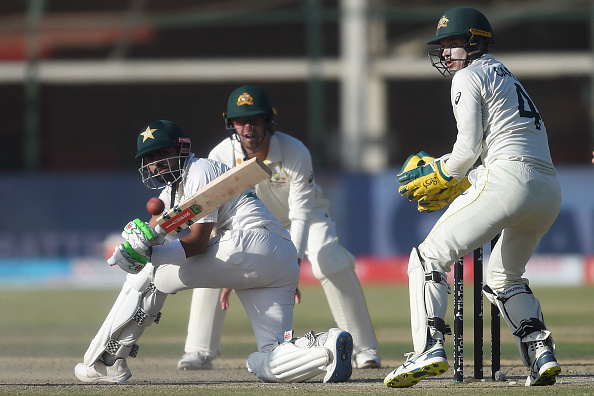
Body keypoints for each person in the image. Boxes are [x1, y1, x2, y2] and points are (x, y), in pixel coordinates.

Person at [73, 119, 354, 384]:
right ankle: (325, 346)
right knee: (267, 359)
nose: (154, 164)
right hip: (277, 261)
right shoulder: (172, 192)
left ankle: (107, 361)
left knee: (150, 272)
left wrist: (146, 256)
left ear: (182, 149)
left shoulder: (200, 170)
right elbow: (155, 231)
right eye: (148, 158)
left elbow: (197, 244)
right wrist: (136, 244)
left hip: (251, 242)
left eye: (160, 154)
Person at [383, 7, 562, 388]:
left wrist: (442, 174)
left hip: (507, 178)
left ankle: (428, 348)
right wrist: (459, 173)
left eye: (453, 43)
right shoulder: (506, 75)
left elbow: (466, 152)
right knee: (503, 277)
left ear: (475, 42)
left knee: (426, 256)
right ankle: (539, 349)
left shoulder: (467, 75)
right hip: (548, 190)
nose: (446, 53)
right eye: (443, 46)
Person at [177, 85, 381, 371]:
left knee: (330, 260)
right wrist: (224, 273)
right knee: (210, 259)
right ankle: (198, 350)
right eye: (241, 121)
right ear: (231, 124)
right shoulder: (220, 156)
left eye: (256, 120)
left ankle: (364, 349)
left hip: (305, 216)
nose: (249, 128)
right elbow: (217, 214)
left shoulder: (295, 151)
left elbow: (300, 215)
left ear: (269, 121)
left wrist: (291, 266)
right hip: (248, 224)